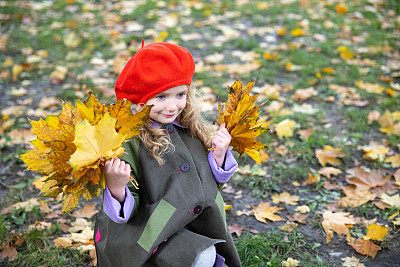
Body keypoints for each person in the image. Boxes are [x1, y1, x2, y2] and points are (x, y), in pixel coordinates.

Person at [94, 41, 241, 267]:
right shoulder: (129, 141)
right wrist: (116, 187)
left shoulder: (191, 127)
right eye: (161, 97)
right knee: (201, 255)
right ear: (140, 100)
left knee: (206, 253)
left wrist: (219, 156)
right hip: (152, 230)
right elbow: (125, 212)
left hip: (197, 223)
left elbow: (207, 185)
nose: (172, 106)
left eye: (180, 94)